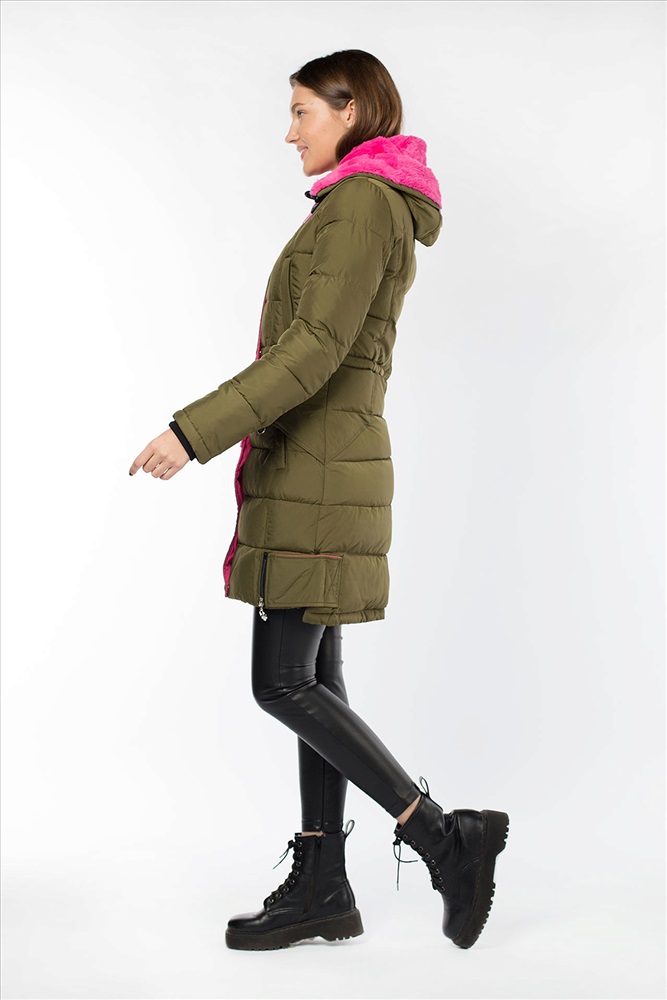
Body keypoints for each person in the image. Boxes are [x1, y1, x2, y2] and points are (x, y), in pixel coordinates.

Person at [129, 49, 509, 952]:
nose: (289, 131)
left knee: (283, 682)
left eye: (302, 111)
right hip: (318, 467)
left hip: (320, 470)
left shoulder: (362, 204)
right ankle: (324, 885)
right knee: (314, 680)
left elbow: (310, 353)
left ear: (351, 112)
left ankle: (443, 838)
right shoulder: (359, 202)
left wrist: (192, 431)